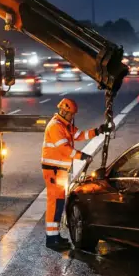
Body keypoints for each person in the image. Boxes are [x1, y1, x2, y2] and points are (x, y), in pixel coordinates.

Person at [39, 98, 112, 250]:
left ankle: (54, 236)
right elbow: (64, 149)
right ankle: (51, 240)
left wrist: (98, 131)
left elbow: (80, 135)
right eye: (71, 114)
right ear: (64, 112)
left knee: (58, 204)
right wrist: (82, 156)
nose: (73, 117)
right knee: (55, 204)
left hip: (58, 171)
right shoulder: (55, 127)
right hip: (53, 171)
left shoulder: (65, 125)